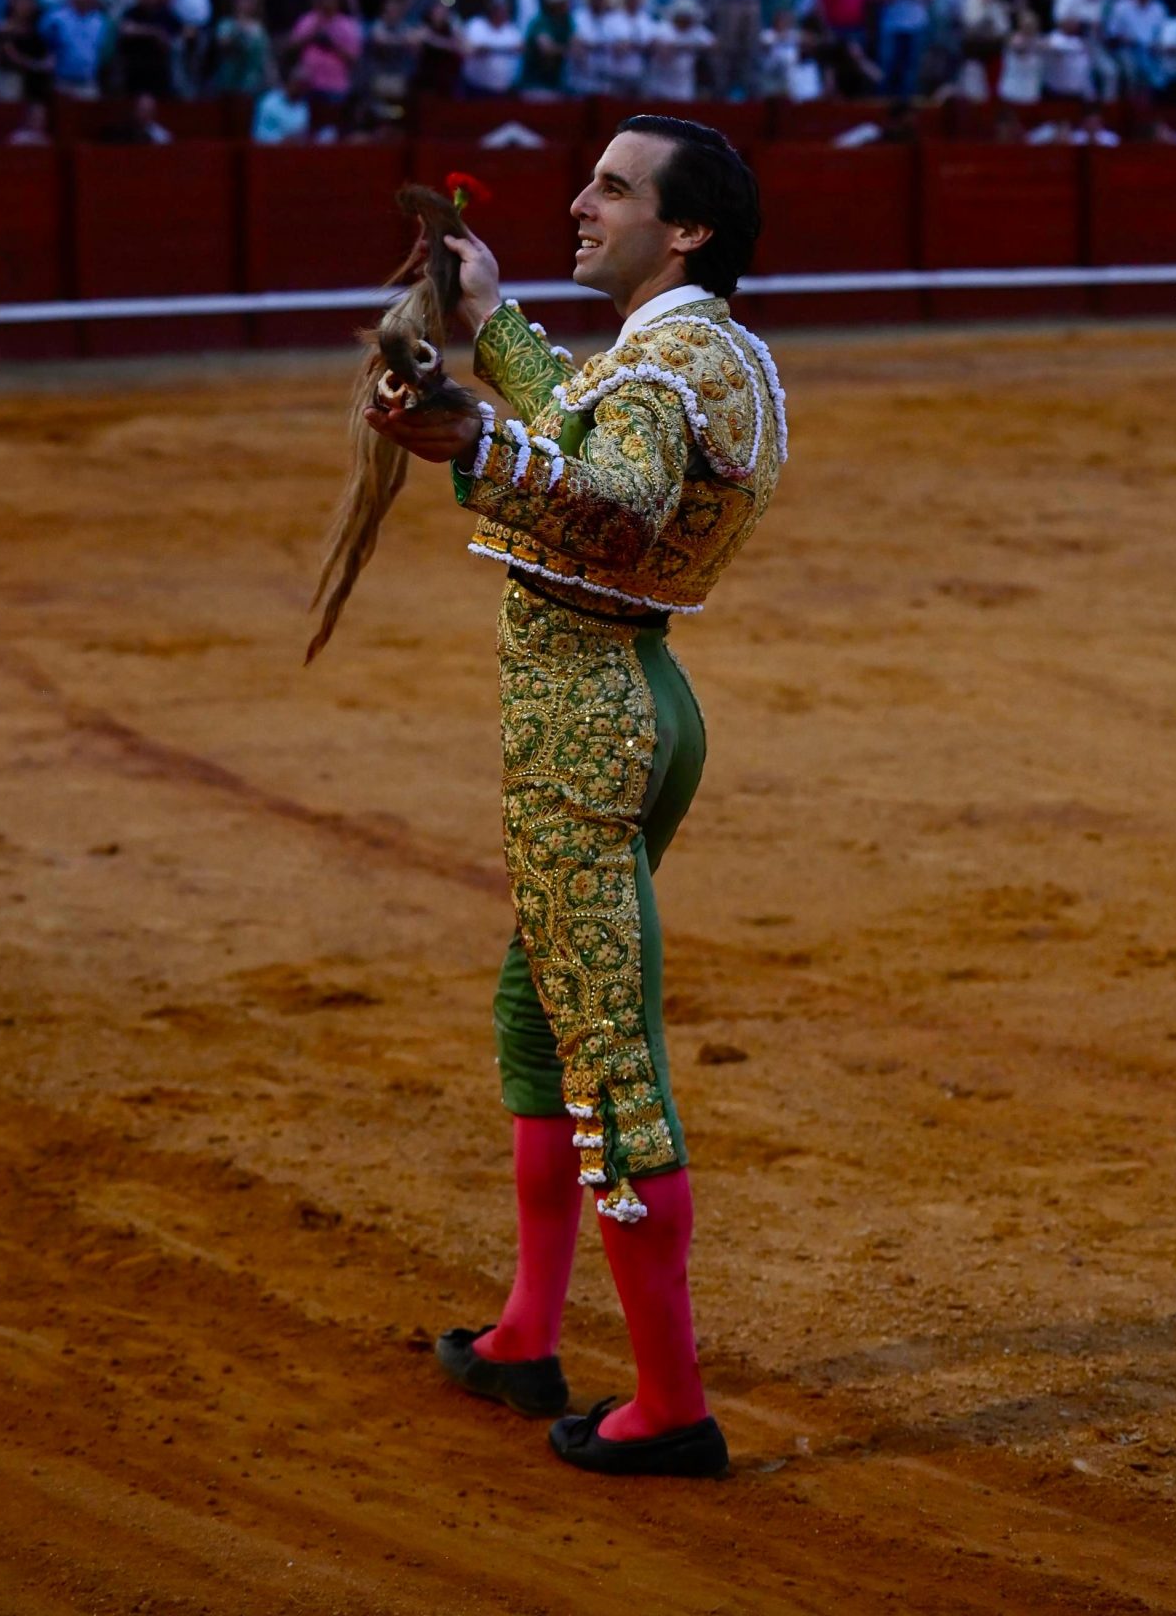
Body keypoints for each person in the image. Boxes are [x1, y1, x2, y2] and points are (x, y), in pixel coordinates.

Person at [364, 118, 786, 1479]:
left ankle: (670, 1405)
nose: (579, 200)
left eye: (615, 188)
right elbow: (587, 427)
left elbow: (618, 492)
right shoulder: (699, 349)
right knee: (540, 1009)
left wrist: (472, 446)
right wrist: (489, 326)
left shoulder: (669, 370)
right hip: (634, 696)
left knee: (608, 1060)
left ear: (688, 229)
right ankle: (525, 1334)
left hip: (585, 715)